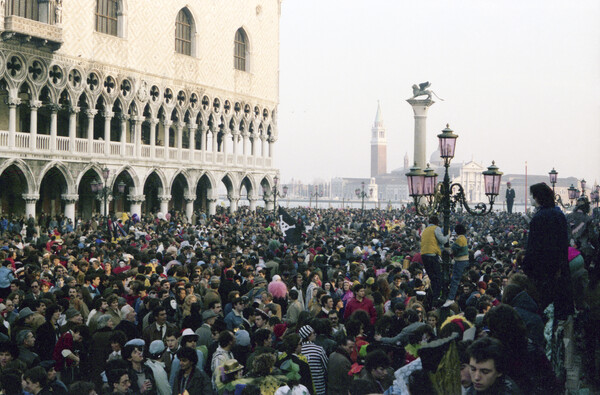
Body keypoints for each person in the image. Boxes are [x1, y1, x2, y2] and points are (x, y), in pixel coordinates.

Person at [522, 182, 573, 320]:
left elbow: (533, 247)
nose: (530, 199)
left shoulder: (539, 218)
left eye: (531, 196)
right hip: (560, 268)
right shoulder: (559, 214)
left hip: (543, 271)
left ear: (537, 197)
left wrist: (525, 267)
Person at [420, 216, 449, 303]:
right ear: (437, 223)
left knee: (432, 277)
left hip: (424, 255)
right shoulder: (436, 228)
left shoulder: (425, 230)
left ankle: (432, 296)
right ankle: (437, 296)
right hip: (432, 254)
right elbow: (443, 240)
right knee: (438, 277)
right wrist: (448, 235)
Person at [445, 223, 470, 307]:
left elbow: (451, 251)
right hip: (462, 260)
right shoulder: (463, 238)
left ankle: (450, 298)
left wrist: (444, 248)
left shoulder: (460, 239)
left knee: (455, 280)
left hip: (460, 261)